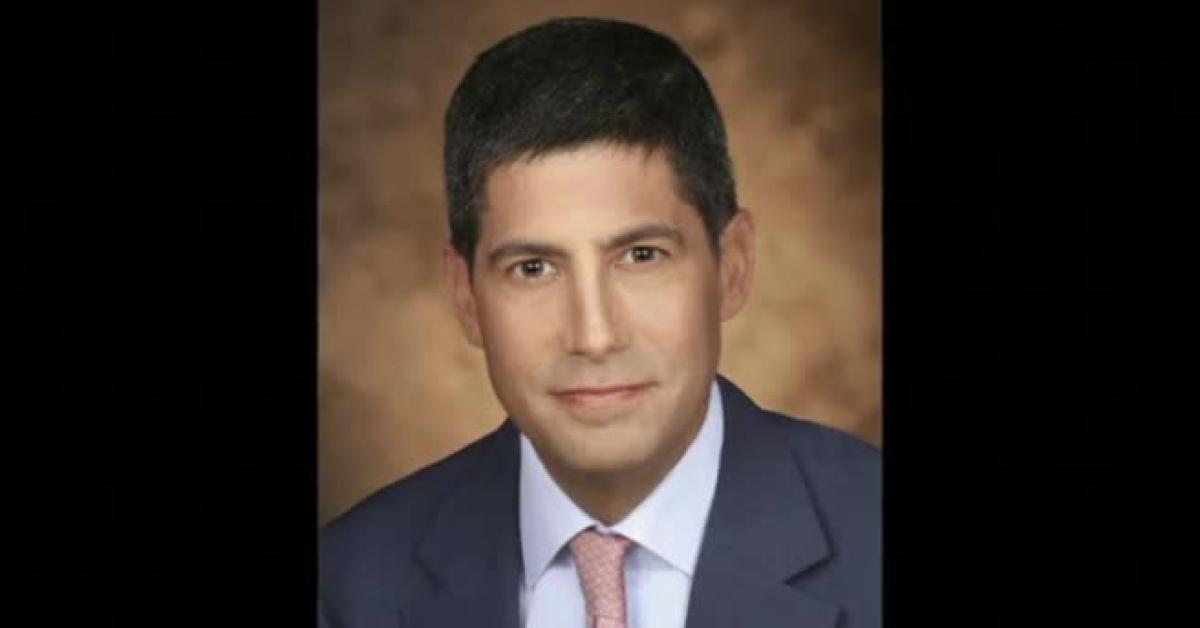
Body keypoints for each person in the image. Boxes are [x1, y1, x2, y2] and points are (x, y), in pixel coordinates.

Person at [319, 16, 879, 628]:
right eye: (534, 268)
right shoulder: (349, 586)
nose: (594, 336)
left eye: (641, 256)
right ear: (466, 296)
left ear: (732, 268)